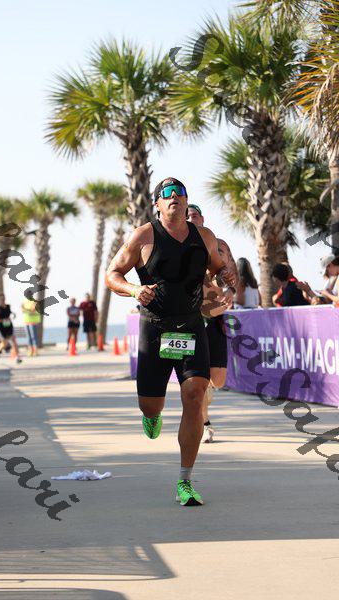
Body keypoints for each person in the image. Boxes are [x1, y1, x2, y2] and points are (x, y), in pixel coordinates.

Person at [106, 177, 235, 506]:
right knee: (150, 404)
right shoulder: (143, 236)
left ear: (187, 201)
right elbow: (112, 274)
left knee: (194, 395)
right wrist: (134, 290)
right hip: (155, 329)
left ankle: (185, 481)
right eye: (167, 193)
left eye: (180, 192)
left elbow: (218, 269)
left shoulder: (204, 237)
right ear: (157, 204)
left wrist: (225, 280)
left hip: (191, 326)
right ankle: (152, 415)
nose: (174, 196)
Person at [187, 203, 238, 443]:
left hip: (215, 316)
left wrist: (230, 289)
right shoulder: (176, 247)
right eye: (187, 216)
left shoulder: (219, 245)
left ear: (202, 218)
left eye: (194, 215)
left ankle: (205, 387)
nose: (190, 219)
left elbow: (231, 273)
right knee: (193, 382)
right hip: (187, 319)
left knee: (217, 380)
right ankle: (204, 424)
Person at [0, 293, 22, 363]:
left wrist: (13, 315)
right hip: (1, 328)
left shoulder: (8, 306)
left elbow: (11, 313)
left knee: (14, 341)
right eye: (1, 299)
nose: (3, 300)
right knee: (5, 343)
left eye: (4, 299)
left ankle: (18, 357)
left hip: (9, 327)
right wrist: (4, 320)